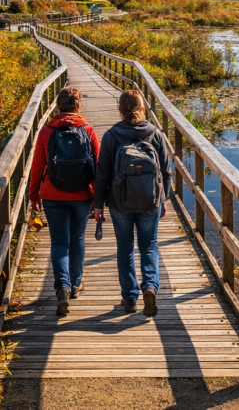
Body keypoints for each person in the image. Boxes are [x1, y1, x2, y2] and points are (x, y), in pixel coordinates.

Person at [92, 90, 173, 316]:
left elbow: (103, 174)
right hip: (150, 200)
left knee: (125, 248)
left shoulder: (111, 135)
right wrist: (163, 199)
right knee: (149, 245)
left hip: (119, 202)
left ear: (120, 110)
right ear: (141, 108)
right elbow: (166, 172)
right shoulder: (155, 134)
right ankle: (149, 286)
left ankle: (129, 298)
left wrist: (98, 204)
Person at [29, 86, 99, 316]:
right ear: (78, 105)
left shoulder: (47, 130)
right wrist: (98, 199)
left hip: (52, 194)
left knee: (59, 242)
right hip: (82, 194)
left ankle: (62, 289)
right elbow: (98, 167)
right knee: (77, 239)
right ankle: (76, 284)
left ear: (58, 105)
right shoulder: (87, 130)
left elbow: (38, 166)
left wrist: (34, 196)